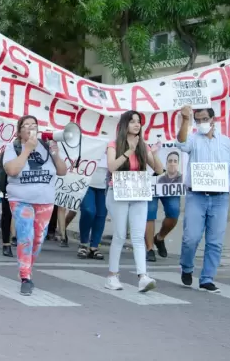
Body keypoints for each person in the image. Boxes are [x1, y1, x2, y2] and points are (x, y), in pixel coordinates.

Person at [176, 106, 230, 293]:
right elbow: (181, 142)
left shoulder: (225, 142)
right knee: (191, 237)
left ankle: (207, 278)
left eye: (205, 119)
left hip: (220, 197)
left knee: (215, 241)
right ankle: (187, 266)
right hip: (197, 195)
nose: (202, 123)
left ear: (213, 119)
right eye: (198, 120)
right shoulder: (193, 139)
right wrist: (186, 120)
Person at [3, 115, 67, 296]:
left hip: (45, 200)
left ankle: (26, 268)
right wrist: (27, 149)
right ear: (19, 130)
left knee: (38, 239)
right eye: (26, 125)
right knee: (26, 236)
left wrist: (55, 153)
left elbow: (62, 171)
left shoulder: (46, 146)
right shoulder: (13, 148)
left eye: (34, 125)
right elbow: (12, 170)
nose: (31, 128)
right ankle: (26, 277)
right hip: (20, 198)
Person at [105, 110, 164, 292]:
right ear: (125, 125)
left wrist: (153, 154)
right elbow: (112, 167)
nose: (137, 125)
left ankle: (143, 277)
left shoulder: (142, 146)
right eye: (132, 122)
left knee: (138, 235)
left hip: (138, 192)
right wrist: (128, 152)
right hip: (118, 192)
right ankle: (112, 276)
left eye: (139, 122)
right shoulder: (114, 144)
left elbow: (159, 170)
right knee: (121, 234)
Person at [145, 151, 183, 261]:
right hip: (150, 177)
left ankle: (159, 238)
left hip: (171, 179)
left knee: (174, 212)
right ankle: (150, 248)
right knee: (150, 212)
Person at [77, 148, 108, 259]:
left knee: (101, 214)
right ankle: (84, 242)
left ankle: (94, 246)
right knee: (88, 210)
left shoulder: (116, 140)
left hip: (105, 183)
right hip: (86, 181)